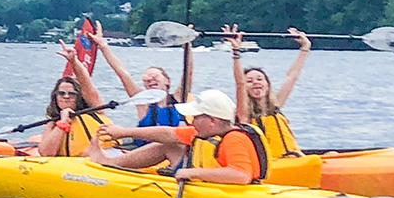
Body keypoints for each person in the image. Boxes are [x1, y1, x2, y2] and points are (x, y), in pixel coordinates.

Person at [81, 89, 269, 185]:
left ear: (212, 120)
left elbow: (241, 176)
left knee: (172, 146)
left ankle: (112, 163)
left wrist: (191, 173)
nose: (191, 120)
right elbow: (167, 133)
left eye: (196, 116)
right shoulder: (205, 132)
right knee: (170, 145)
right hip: (207, 184)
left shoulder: (235, 139)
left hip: (231, 192)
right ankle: (112, 163)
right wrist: (124, 132)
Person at [84, 24, 191, 134]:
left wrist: (188, 46)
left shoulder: (179, 98)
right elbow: (122, 73)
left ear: (167, 81)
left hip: (171, 147)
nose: (150, 80)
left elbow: (188, 73)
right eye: (147, 80)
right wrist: (103, 46)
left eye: (154, 77)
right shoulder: (142, 101)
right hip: (148, 148)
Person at [226, 24, 310, 159]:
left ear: (267, 85)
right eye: (250, 81)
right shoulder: (244, 113)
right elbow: (239, 84)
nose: (255, 83)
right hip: (273, 166)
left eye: (260, 79)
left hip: (296, 159)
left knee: (332, 154)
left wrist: (305, 47)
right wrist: (236, 52)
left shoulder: (276, 104)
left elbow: (292, 77)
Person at [36, 40, 110, 157]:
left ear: (79, 96)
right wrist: (63, 122)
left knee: (90, 152)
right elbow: (46, 153)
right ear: (55, 97)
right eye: (61, 93)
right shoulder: (52, 124)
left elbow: (87, 85)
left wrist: (73, 61)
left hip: (106, 156)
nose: (66, 96)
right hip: (75, 165)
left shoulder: (95, 110)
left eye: (72, 93)